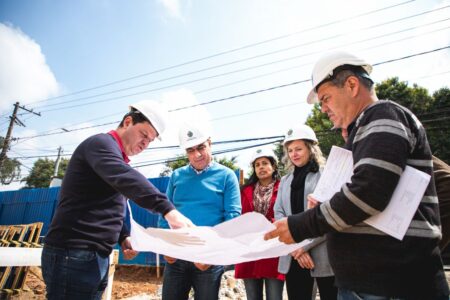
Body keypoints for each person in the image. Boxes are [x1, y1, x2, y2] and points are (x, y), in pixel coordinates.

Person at [264, 51, 449, 299]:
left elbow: (369, 192)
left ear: (351, 85)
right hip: (368, 284)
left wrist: (301, 225)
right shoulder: (361, 132)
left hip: (391, 285)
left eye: (326, 98)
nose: (323, 109)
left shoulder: (383, 113)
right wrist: (327, 205)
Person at [41, 100, 194, 300]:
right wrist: (169, 211)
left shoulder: (115, 159)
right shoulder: (100, 144)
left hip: (94, 255)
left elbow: (115, 204)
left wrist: (123, 237)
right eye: (143, 134)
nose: (145, 144)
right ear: (128, 122)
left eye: (150, 141)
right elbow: (127, 178)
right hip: (74, 252)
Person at [158, 122, 241, 300]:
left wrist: (213, 254)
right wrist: (166, 246)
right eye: (190, 150)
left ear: (210, 143)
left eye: (201, 147)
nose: (196, 155)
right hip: (177, 256)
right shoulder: (176, 176)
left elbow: (233, 218)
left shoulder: (227, 176)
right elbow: (165, 212)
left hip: (208, 257)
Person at [274, 124, 336, 300]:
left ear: (311, 149)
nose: (294, 154)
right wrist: (296, 249)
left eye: (299, 149)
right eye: (290, 150)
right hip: (293, 257)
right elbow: (278, 213)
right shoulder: (285, 181)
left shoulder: (325, 176)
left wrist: (304, 246)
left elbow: (329, 216)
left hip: (323, 255)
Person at [234, 148, 285, 300]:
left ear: (274, 166)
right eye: (257, 165)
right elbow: (240, 219)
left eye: (265, 163)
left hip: (273, 250)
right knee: (252, 297)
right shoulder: (244, 191)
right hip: (250, 251)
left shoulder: (283, 187)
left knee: (275, 296)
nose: (261, 167)